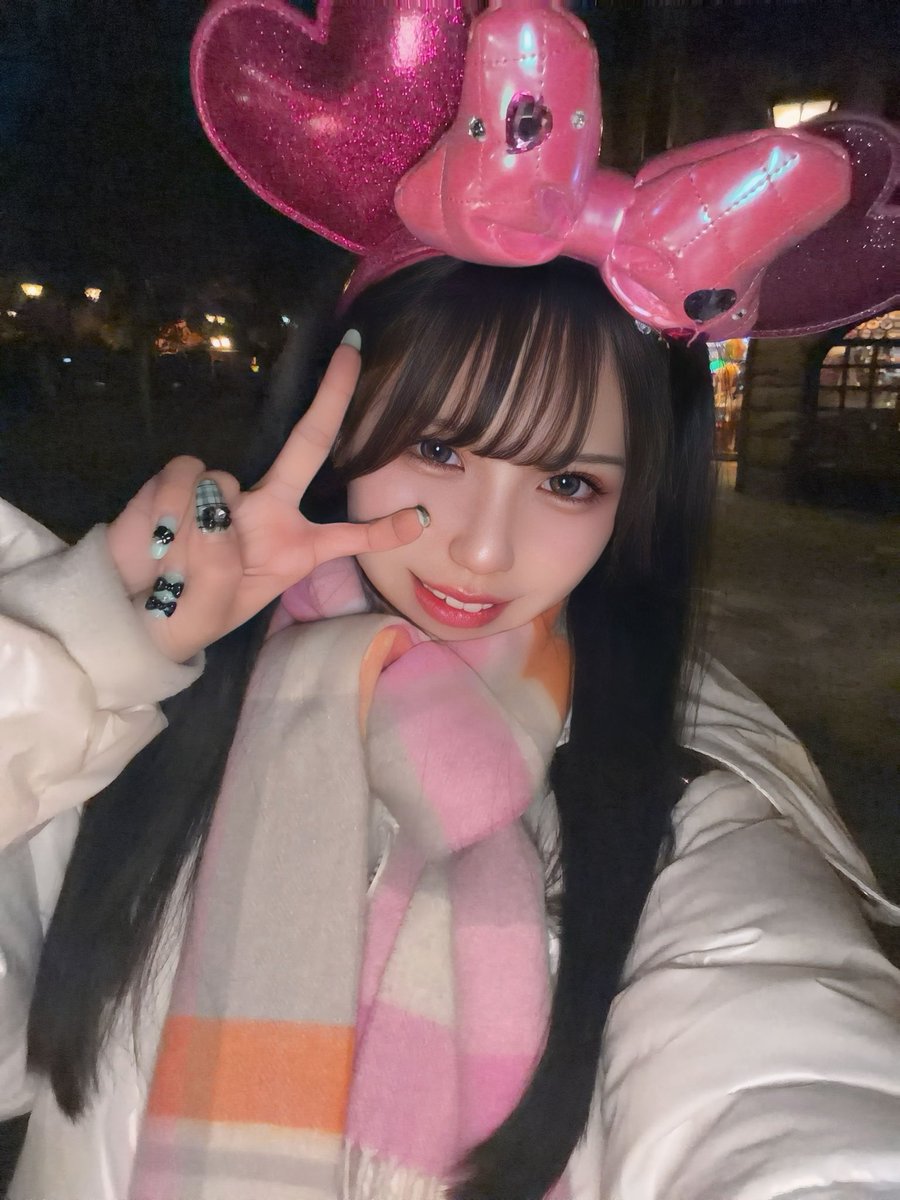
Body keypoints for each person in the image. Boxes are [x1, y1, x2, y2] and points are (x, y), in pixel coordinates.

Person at [3, 3, 900, 1198]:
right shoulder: (148, 717)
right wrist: (87, 657)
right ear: (339, 423)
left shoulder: (688, 812)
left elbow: (790, 1090)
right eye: (438, 449)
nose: (481, 549)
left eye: (568, 482)